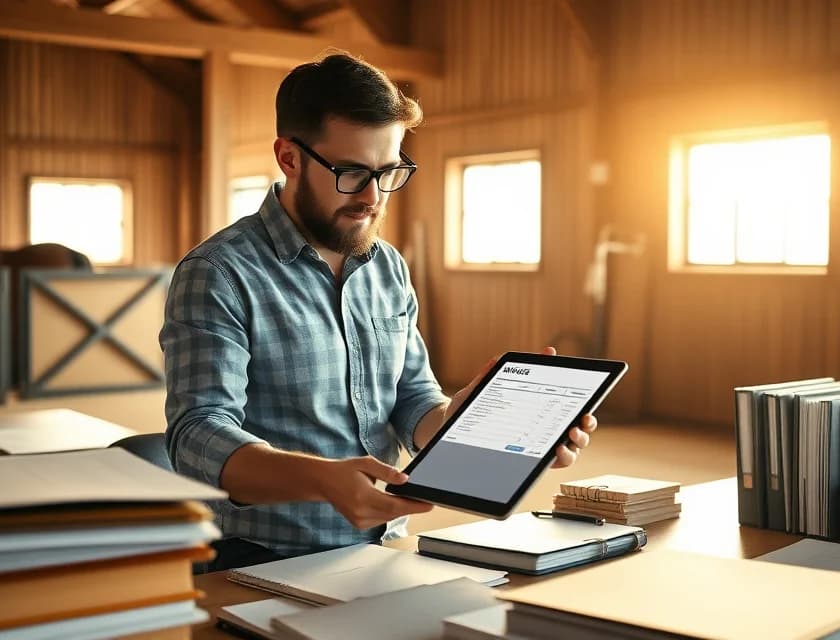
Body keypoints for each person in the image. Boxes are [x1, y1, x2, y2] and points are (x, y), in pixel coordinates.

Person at [161, 53, 597, 572]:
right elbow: (197, 434)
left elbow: (411, 399)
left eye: (388, 172)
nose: (372, 197)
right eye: (351, 172)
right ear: (289, 157)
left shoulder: (385, 265)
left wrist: (462, 424)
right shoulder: (218, 272)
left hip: (383, 551)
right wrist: (322, 480)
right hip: (258, 559)